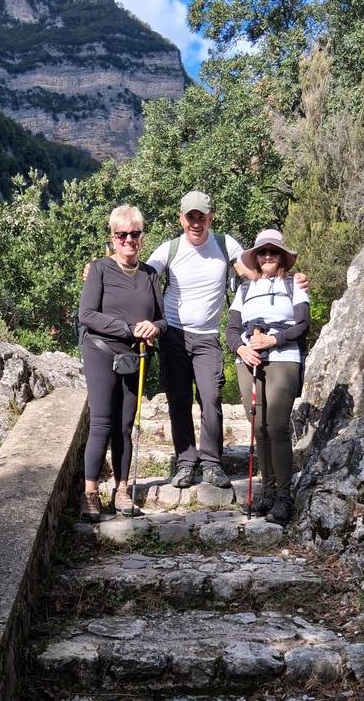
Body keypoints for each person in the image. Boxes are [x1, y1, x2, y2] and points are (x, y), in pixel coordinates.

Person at [146, 191, 248, 488]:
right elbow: (142, 278)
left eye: (201, 216)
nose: (196, 222)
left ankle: (212, 464)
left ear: (210, 217)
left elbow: (250, 271)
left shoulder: (225, 244)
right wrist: (103, 269)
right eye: (190, 217)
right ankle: (186, 463)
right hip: (174, 334)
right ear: (181, 218)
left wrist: (289, 280)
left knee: (211, 396)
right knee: (179, 399)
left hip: (207, 336)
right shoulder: (170, 249)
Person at [78, 205, 167, 522]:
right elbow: (86, 315)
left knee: (125, 427)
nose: (129, 240)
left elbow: (163, 318)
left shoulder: (150, 275)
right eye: (122, 234)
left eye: (135, 234)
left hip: (135, 357)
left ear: (142, 238)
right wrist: (128, 329)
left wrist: (154, 327)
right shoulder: (100, 269)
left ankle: (122, 490)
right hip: (101, 351)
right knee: (102, 421)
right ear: (113, 238)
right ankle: (89, 494)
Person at [225, 229, 309, 527]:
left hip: (284, 359)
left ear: (282, 255)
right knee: (258, 427)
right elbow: (231, 329)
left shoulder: (293, 285)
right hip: (249, 360)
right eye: (263, 252)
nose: (268, 256)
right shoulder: (244, 290)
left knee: (276, 426)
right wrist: (241, 349)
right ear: (256, 258)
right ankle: (269, 490)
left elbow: (302, 325)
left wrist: (274, 341)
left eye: (273, 251)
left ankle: (284, 496)